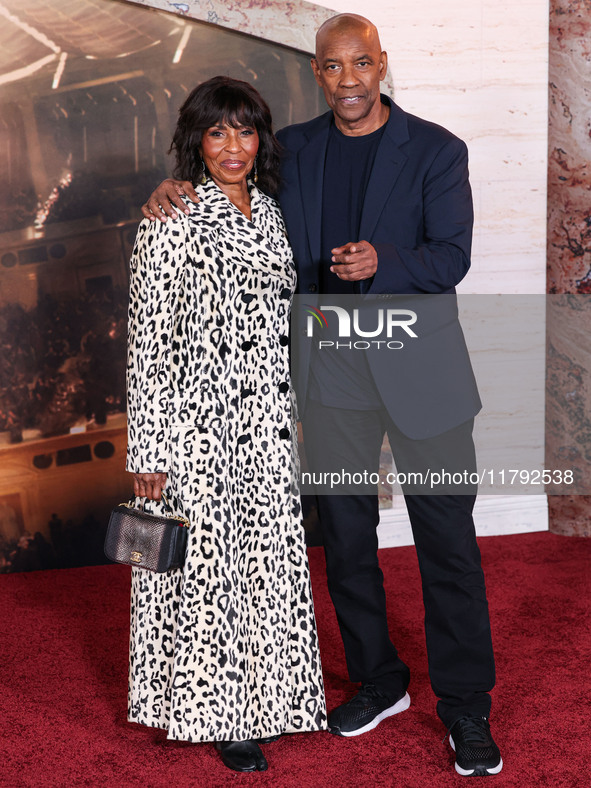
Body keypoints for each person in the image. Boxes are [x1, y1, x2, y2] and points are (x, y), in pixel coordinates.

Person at [142, 15, 502, 778]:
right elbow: (225, 186)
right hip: (330, 382)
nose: (347, 80)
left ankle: (466, 708)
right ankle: (380, 679)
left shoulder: (438, 149)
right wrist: (170, 188)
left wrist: (386, 259)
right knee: (345, 546)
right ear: (317, 74)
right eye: (332, 67)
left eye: (360, 64)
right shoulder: (292, 150)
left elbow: (453, 257)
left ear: (380, 65)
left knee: (448, 548)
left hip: (424, 382)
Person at [126, 75, 326, 774]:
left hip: (266, 421)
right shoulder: (171, 217)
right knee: (206, 575)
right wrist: (146, 449)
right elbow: (148, 342)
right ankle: (219, 713)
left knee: (266, 565)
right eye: (217, 132)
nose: (233, 146)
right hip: (195, 427)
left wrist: (294, 415)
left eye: (244, 131)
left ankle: (274, 698)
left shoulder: (271, 214)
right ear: (196, 141)